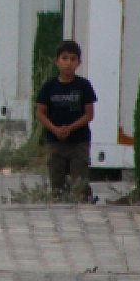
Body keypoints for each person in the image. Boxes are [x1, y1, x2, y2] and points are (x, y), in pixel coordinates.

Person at [35, 39, 97, 200]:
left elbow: (89, 114)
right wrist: (55, 129)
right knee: (57, 184)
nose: (68, 63)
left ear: (79, 62)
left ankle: (85, 199)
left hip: (79, 141)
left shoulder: (83, 85)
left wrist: (70, 128)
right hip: (55, 142)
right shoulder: (49, 86)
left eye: (72, 59)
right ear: (57, 61)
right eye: (64, 58)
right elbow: (40, 113)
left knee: (79, 183)